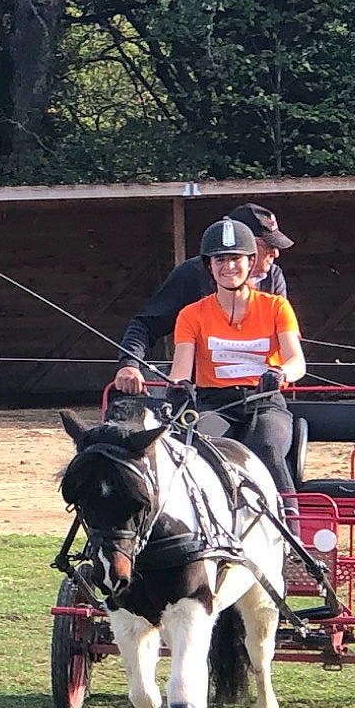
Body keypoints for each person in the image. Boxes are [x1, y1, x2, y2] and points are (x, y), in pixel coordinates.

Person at [166, 216, 306, 500]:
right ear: (209, 266)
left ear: (251, 262)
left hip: (264, 404)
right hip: (217, 404)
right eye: (220, 260)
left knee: (266, 446)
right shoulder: (191, 315)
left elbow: (297, 362)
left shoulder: (277, 307)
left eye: (235, 259)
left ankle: (290, 529)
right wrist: (179, 388)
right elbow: (180, 369)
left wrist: (280, 374)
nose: (228, 267)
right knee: (201, 445)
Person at [112, 203, 292, 396]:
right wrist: (129, 364)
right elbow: (146, 324)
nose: (276, 253)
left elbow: (286, 343)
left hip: (262, 395)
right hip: (206, 395)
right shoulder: (191, 275)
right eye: (269, 246)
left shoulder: (274, 278)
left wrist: (282, 373)